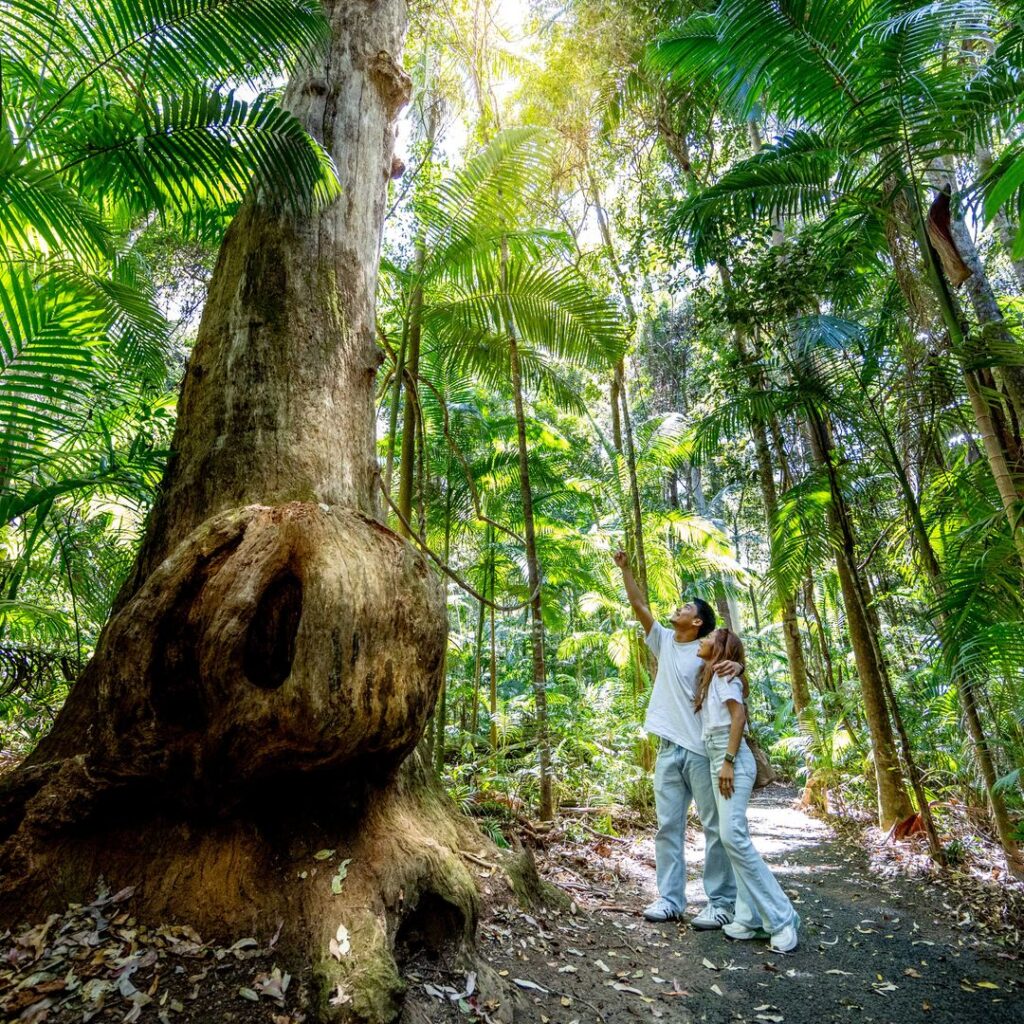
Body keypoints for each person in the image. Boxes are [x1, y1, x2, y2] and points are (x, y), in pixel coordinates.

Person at [613, 550, 743, 927]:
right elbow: (637, 603)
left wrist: (738, 664)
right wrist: (626, 568)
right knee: (667, 827)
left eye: (685, 607)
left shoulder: (708, 651)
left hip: (700, 751)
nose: (678, 609)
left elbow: (734, 669)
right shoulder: (665, 641)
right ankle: (671, 900)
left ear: (698, 621)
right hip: (668, 750)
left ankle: (720, 903)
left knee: (714, 827)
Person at [695, 627, 800, 953]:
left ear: (721, 648)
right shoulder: (712, 675)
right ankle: (750, 917)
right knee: (730, 839)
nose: (702, 641)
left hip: (731, 758)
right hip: (716, 754)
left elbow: (738, 716)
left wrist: (727, 761)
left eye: (708, 638)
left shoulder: (725, 675)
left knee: (733, 836)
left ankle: (782, 917)